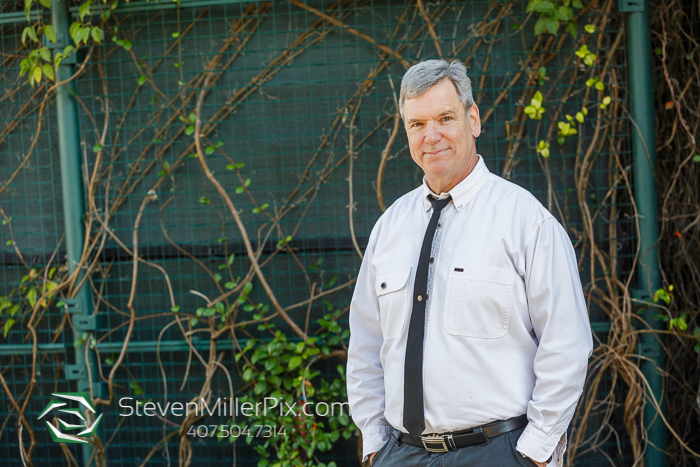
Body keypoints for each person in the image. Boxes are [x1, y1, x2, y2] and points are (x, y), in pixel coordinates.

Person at [346, 59, 593, 467]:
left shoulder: (525, 221)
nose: (432, 136)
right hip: (400, 454)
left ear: (473, 119)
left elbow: (566, 343)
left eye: (445, 118)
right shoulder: (389, 227)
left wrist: (535, 452)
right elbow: (366, 344)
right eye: (417, 124)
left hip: (499, 452)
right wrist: (374, 443)